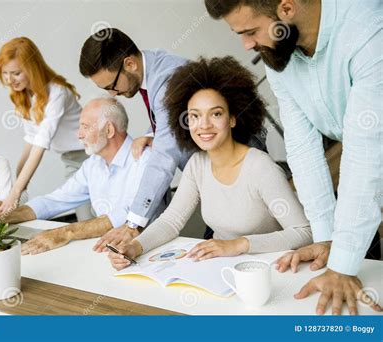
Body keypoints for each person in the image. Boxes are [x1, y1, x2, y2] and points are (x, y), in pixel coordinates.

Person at [204, 0, 382, 314]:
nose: (247, 45)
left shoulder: (370, 29)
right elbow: (303, 149)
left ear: (286, 9)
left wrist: (342, 266)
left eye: (250, 31)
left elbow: (365, 154)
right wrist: (327, 239)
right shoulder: (279, 54)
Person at [108, 57, 312, 270]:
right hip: (221, 268)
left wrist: (239, 244)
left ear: (233, 118)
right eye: (194, 116)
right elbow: (171, 221)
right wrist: (134, 247)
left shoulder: (261, 167)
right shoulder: (197, 164)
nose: (203, 125)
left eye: (215, 114)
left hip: (268, 269)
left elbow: (303, 232)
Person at [79, 28, 267, 251]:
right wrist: (153, 134)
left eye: (111, 86)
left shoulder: (168, 79)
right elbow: (168, 115)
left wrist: (133, 223)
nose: (113, 94)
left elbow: (164, 157)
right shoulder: (154, 63)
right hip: (214, 184)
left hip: (238, 182)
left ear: (130, 64)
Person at [0, 97, 166, 255]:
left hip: (148, 252)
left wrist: (64, 233)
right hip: (109, 251)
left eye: (85, 126)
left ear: (109, 130)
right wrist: (2, 216)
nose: (79, 134)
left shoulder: (144, 159)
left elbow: (126, 215)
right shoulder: (93, 164)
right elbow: (54, 201)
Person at [0, 36, 91, 220]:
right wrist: (19, 185)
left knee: (99, 217)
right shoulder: (24, 95)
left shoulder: (57, 92)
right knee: (85, 218)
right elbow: (31, 139)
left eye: (16, 73)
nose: (9, 80)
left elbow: (41, 143)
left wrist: (15, 193)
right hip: (72, 161)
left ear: (32, 68)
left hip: (92, 155)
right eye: (5, 73)